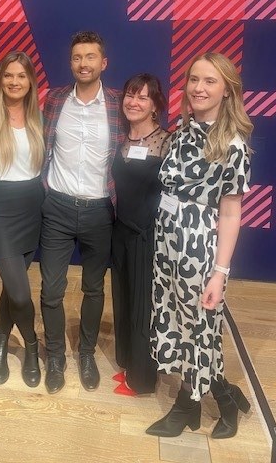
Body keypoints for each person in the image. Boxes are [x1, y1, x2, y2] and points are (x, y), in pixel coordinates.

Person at [147, 52, 253, 439]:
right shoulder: (182, 131)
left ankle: (196, 405)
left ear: (227, 91)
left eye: (210, 81)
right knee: (180, 325)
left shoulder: (232, 146)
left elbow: (230, 215)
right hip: (168, 244)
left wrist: (219, 273)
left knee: (199, 331)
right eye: (194, 79)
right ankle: (224, 395)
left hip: (199, 250)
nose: (199, 88)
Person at [40, 30, 122, 394]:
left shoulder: (120, 103)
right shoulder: (54, 100)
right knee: (50, 290)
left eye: (90, 57)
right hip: (56, 206)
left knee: (93, 289)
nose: (83, 63)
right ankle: (55, 355)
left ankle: (86, 352)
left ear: (103, 63)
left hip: (100, 211)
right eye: (77, 57)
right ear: (70, 62)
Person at [0, 51, 45, 388]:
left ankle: (1, 342)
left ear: (30, 81)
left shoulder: (39, 118)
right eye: (9, 75)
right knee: (20, 293)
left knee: (12, 286)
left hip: (32, 208)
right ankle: (32, 347)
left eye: (21, 76)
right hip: (0, 212)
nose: (15, 82)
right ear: (0, 79)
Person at [111, 73, 170, 396]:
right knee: (123, 298)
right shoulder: (121, 140)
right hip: (120, 232)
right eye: (130, 95)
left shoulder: (166, 142)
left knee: (143, 307)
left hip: (148, 236)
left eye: (143, 97)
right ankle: (129, 364)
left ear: (154, 105)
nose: (134, 102)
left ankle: (143, 378)